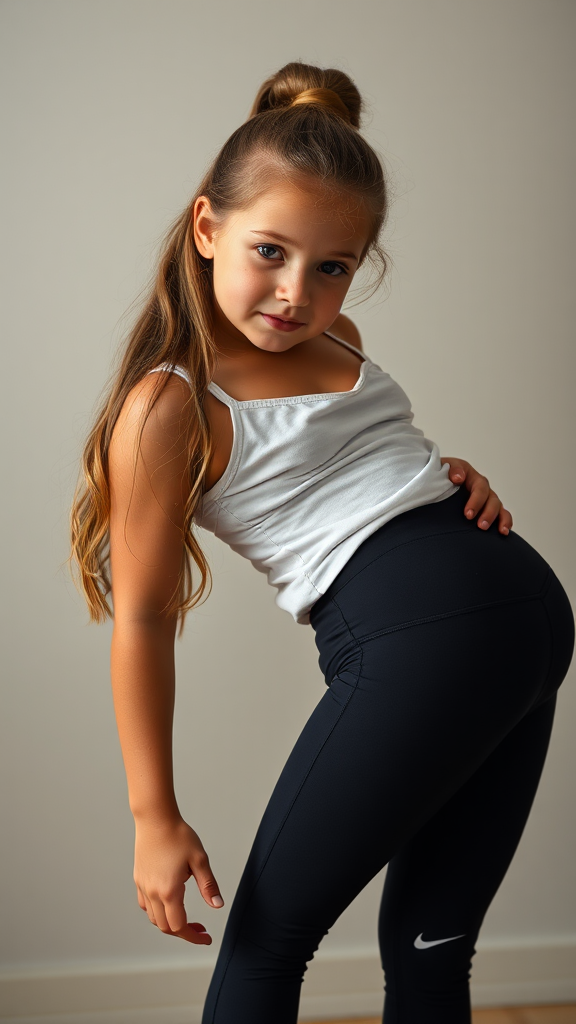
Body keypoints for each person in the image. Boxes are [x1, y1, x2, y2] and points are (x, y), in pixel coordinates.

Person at [69, 61, 574, 1024]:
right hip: (505, 627)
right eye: (270, 252)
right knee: (430, 948)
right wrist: (153, 814)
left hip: (455, 629)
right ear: (207, 226)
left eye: (332, 267)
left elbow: (365, 471)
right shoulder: (171, 404)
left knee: (267, 952)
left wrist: (448, 473)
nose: (296, 292)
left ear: (358, 265)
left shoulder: (336, 342)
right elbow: (141, 619)